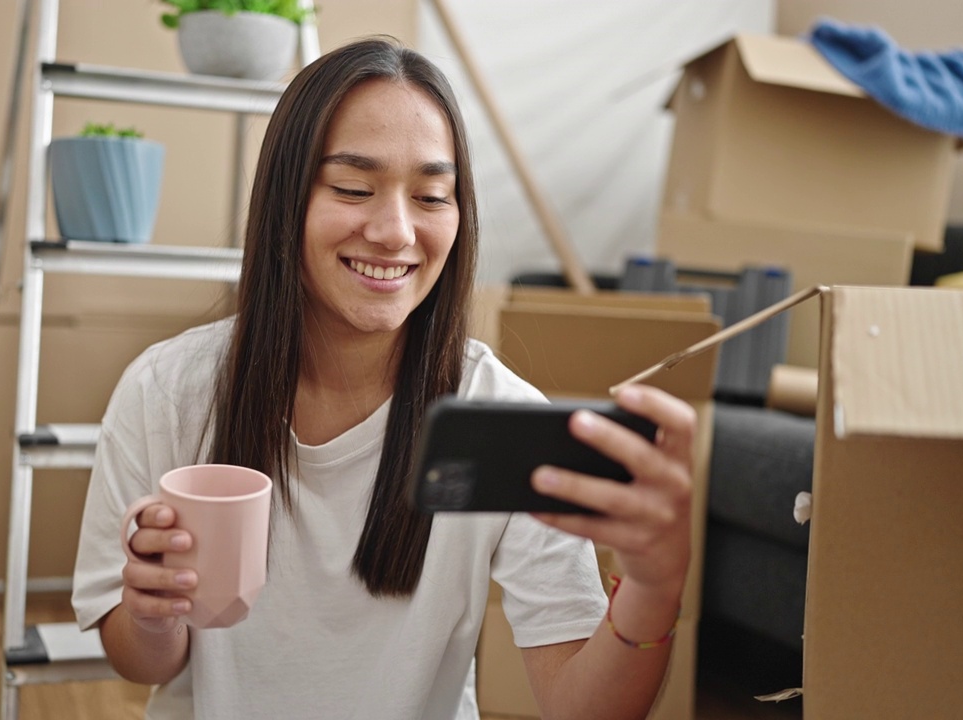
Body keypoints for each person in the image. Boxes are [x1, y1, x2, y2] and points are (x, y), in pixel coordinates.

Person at [72, 36, 694, 720]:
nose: (396, 231)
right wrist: (153, 613)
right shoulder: (167, 391)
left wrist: (655, 584)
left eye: (431, 195)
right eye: (353, 189)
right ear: (286, 199)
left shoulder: (498, 418)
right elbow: (139, 660)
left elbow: (583, 710)